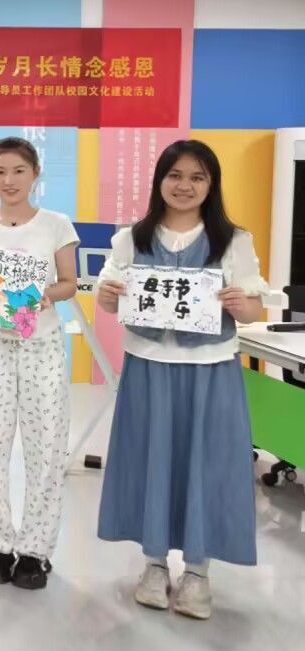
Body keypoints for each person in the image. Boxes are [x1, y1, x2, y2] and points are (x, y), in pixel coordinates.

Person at [95, 140, 269, 620]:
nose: (184, 185)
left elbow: (253, 309)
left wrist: (243, 305)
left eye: (197, 177)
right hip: (148, 367)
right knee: (149, 459)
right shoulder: (131, 238)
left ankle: (198, 572)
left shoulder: (233, 240)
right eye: (175, 175)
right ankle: (153, 563)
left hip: (211, 369)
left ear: (212, 185)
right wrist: (107, 296)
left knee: (206, 463)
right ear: (159, 181)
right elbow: (108, 299)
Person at [0, 136, 78, 591]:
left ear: (35, 174)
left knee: (46, 447)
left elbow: (69, 282)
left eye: (18, 171)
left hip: (41, 344)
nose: (9, 180)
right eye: (0, 172)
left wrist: (43, 294)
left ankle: (35, 550)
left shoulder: (56, 225)